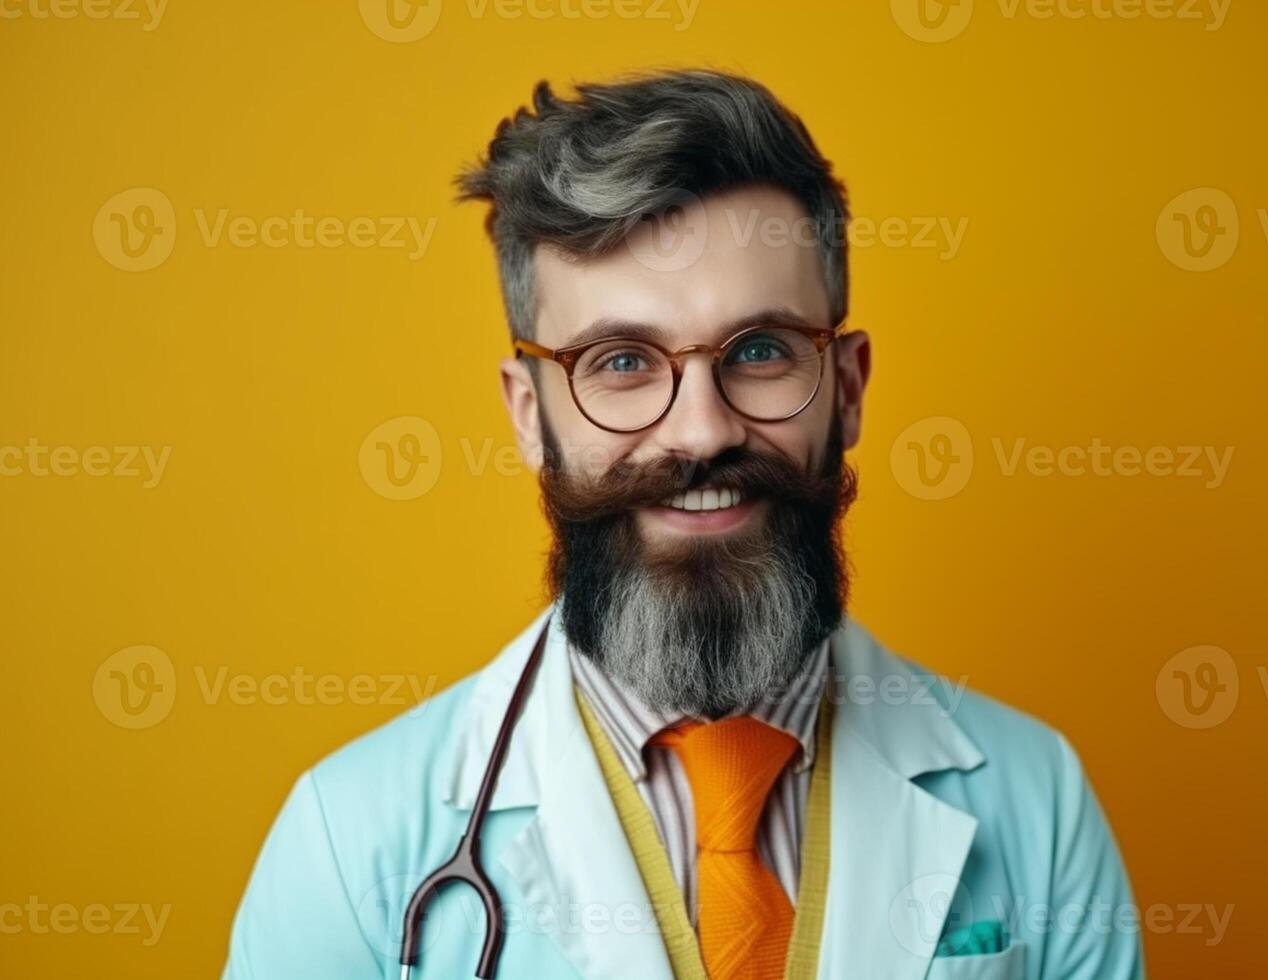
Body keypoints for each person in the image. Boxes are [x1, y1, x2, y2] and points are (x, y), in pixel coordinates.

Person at [224, 68, 1143, 980]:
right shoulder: (348, 847)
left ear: (850, 388)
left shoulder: (1039, 802)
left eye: (760, 352)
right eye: (620, 361)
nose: (701, 430)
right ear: (527, 414)